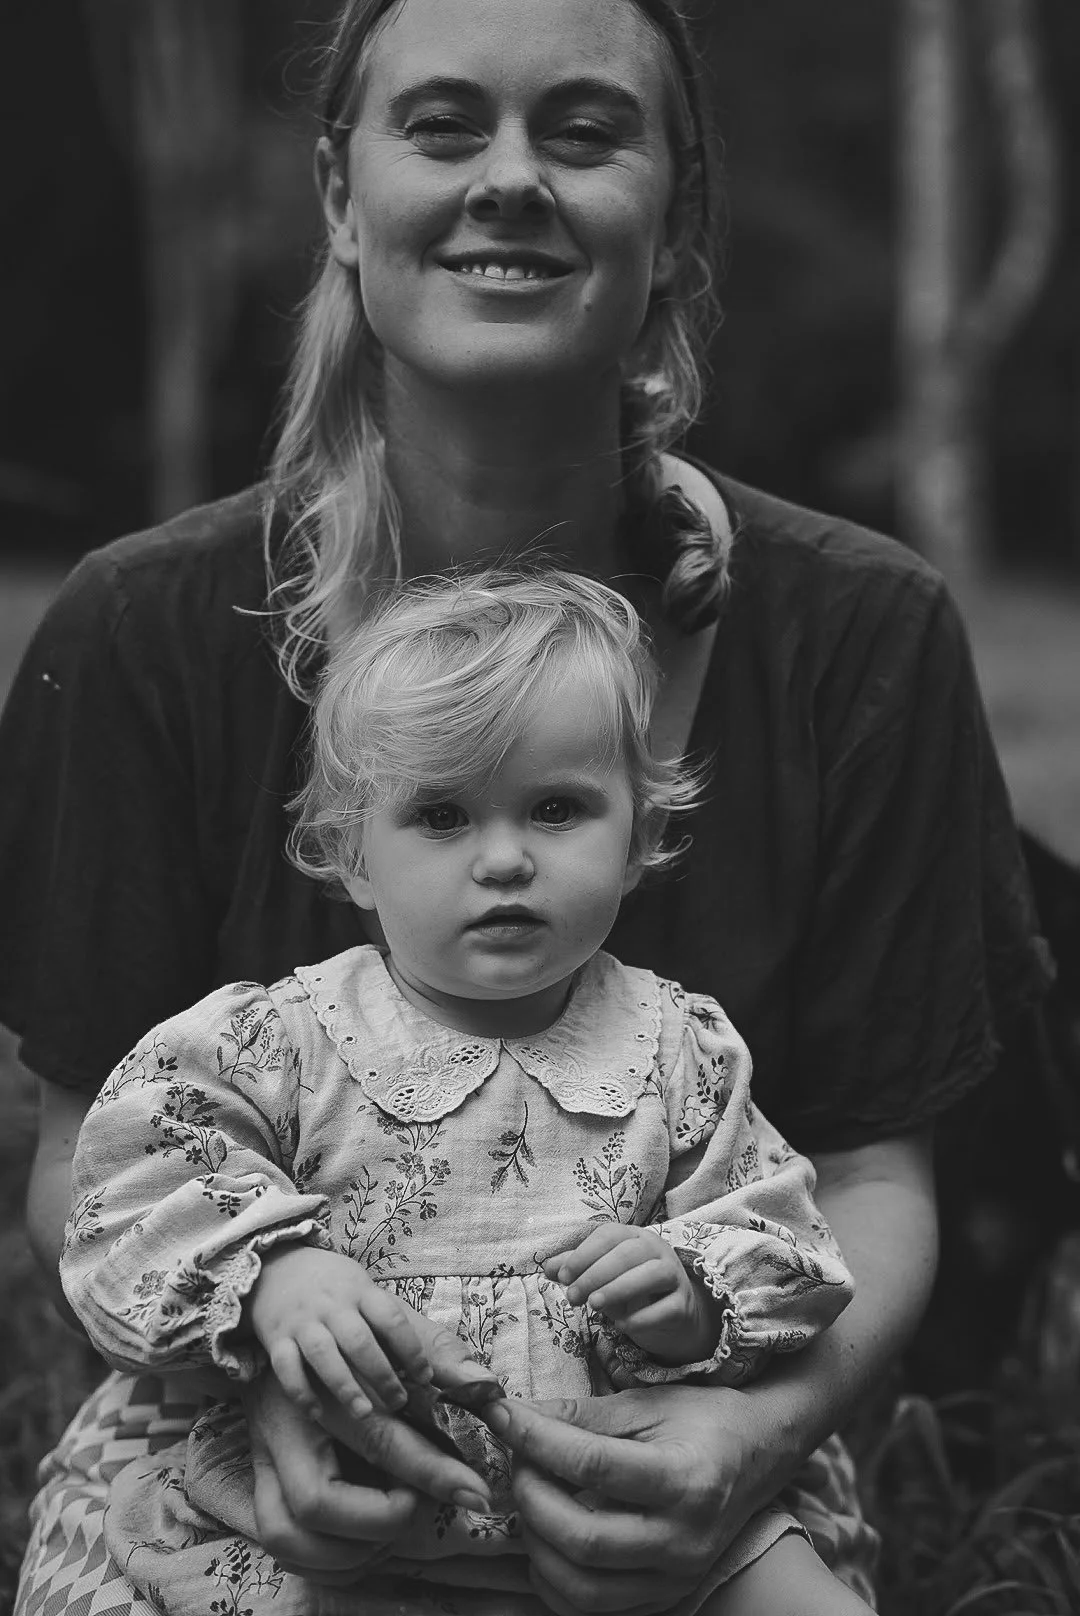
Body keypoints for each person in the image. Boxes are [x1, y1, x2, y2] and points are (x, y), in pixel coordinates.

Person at [2, 0, 1048, 1611]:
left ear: (676, 214)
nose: (510, 181)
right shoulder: (145, 631)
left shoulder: (858, 636)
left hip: (678, 1465)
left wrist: (746, 1440)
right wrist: (283, 1356)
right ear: (343, 198)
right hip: (256, 1445)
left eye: (581, 131)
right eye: (440, 127)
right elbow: (94, 1162)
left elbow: (872, 1185)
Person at [59, 570, 875, 1615]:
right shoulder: (282, 1040)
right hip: (350, 1491)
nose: (503, 858)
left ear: (635, 839)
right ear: (353, 852)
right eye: (441, 814)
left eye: (556, 808)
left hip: (617, 1502)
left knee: (799, 1590)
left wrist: (689, 1293)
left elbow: (785, 1237)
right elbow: (132, 1178)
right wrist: (270, 1278)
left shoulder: (679, 1047)